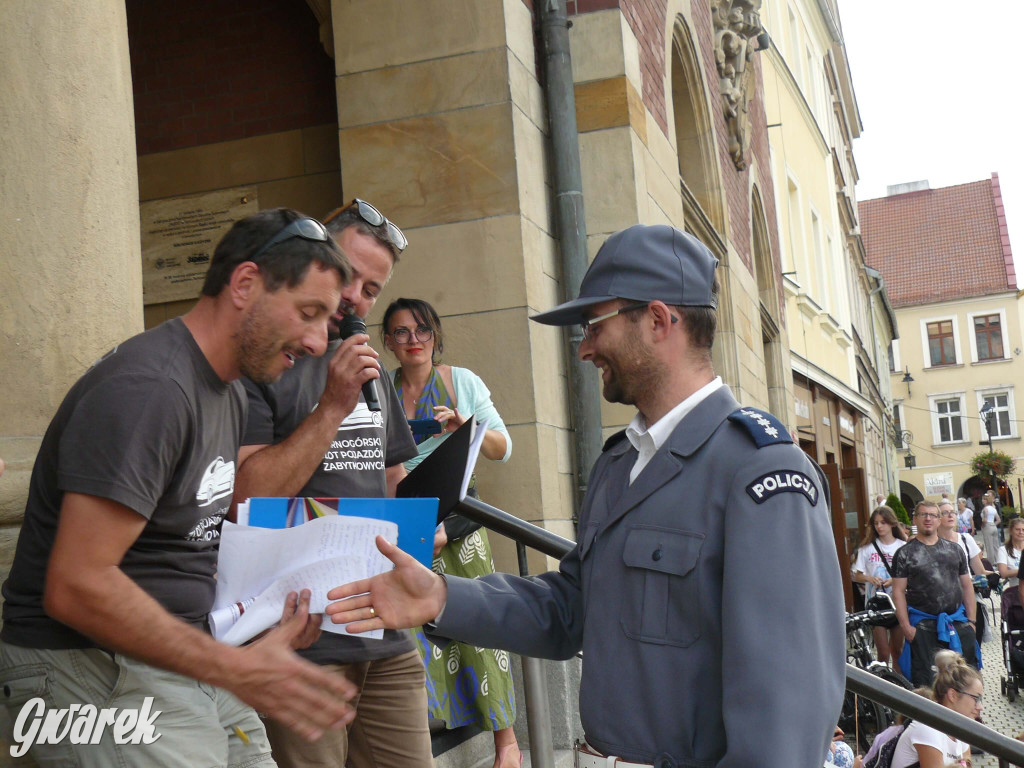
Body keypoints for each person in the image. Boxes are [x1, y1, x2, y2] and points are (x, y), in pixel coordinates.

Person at [327, 224, 847, 766]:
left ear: (658, 320)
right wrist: (440, 597)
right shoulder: (621, 461)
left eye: (594, 324)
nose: (584, 349)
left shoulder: (762, 471)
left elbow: (786, 717)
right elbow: (573, 609)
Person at [0, 208, 358, 766]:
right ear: (245, 284)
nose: (317, 342)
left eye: (327, 323)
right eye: (309, 313)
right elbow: (75, 586)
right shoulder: (151, 390)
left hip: (186, 663)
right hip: (91, 663)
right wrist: (233, 666)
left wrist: (259, 628)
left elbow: (191, 533)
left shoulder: (227, 390)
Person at [233, 200, 434, 768]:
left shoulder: (368, 365)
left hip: (383, 623)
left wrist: (424, 527)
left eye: (372, 289)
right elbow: (246, 497)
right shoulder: (269, 361)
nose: (356, 299)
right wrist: (330, 408)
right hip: (301, 632)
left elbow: (392, 474)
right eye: (351, 275)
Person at [381, 297, 520, 768]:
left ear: (435, 335)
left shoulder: (462, 382)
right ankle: (436, 725)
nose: (413, 340)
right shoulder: (384, 389)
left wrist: (469, 428)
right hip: (411, 514)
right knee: (421, 627)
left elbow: (503, 448)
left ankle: (507, 742)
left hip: (459, 515)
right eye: (401, 332)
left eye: (421, 330)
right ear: (388, 342)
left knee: (479, 626)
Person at [891, 500, 978, 686]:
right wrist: (906, 627)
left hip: (957, 624)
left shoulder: (955, 550)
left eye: (933, 515)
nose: (928, 519)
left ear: (939, 520)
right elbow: (897, 591)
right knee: (927, 684)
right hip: (922, 627)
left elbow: (967, 586)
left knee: (964, 681)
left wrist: (971, 622)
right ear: (915, 519)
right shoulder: (904, 553)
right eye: (923, 515)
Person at [889, 650, 981, 768]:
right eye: (976, 698)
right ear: (952, 695)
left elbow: (967, 763)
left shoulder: (960, 728)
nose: (980, 707)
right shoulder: (928, 728)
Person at [852, 505, 907, 667]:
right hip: (876, 605)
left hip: (897, 603)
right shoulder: (866, 548)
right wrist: (870, 578)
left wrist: (894, 580)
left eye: (883, 522)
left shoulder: (902, 546)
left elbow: (910, 574)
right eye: (876, 523)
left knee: (897, 650)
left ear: (892, 524)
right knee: (883, 652)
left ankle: (898, 686)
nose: (879, 526)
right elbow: (856, 574)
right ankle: (883, 685)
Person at [938, 499, 990, 646]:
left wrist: (988, 576)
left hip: (969, 597)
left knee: (971, 646)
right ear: (937, 517)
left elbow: (979, 571)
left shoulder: (965, 539)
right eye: (945, 513)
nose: (950, 515)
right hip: (943, 601)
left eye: (952, 512)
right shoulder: (932, 542)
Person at [997, 517, 1024, 620]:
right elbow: (1003, 573)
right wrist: (1021, 571)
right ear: (1011, 531)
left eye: (1023, 530)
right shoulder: (1004, 550)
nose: (1021, 532)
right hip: (1016, 591)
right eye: (1018, 529)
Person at [980, 491, 1002, 564]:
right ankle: (998, 560)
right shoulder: (993, 508)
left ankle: (991, 562)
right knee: (996, 545)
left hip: (987, 526)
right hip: (993, 525)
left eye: (983, 499)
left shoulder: (985, 509)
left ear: (986, 500)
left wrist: (982, 525)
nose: (982, 501)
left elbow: (985, 519)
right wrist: (993, 524)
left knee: (989, 546)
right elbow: (998, 520)